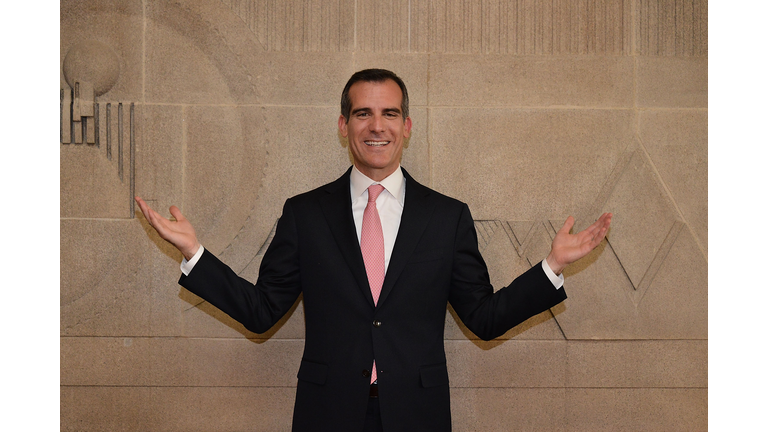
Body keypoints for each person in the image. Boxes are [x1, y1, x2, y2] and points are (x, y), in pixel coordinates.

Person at [136, 69, 612, 432]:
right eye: (363, 113)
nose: (376, 126)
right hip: (328, 413)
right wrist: (195, 252)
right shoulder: (304, 213)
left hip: (417, 413)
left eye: (388, 114)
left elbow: (485, 318)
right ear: (344, 125)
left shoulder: (447, 217)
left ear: (406, 126)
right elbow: (261, 311)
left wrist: (550, 267)